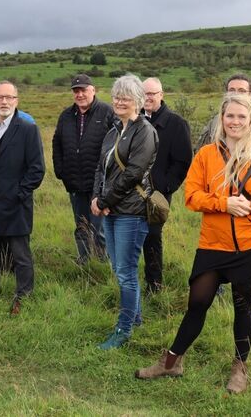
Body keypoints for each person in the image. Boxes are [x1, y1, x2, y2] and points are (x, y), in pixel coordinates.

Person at [135, 93, 251, 393]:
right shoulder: (206, 155)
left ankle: (240, 369)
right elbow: (192, 197)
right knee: (198, 302)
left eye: (241, 117)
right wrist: (224, 204)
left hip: (249, 246)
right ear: (222, 119)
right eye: (229, 116)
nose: (235, 122)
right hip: (212, 246)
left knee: (243, 306)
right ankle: (171, 362)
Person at [195, 73, 251, 306]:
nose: (236, 94)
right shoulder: (217, 121)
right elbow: (201, 150)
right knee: (217, 241)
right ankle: (216, 285)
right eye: (231, 90)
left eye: (241, 90)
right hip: (217, 197)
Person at [91, 74, 158, 349]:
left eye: (126, 97)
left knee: (125, 272)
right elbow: (100, 168)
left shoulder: (145, 131)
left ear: (139, 102)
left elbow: (133, 174)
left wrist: (105, 200)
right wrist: (97, 196)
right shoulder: (113, 131)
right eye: (117, 96)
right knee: (120, 268)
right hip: (112, 209)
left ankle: (124, 329)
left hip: (132, 211)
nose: (119, 101)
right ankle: (136, 317)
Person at [0, 81, 45, 315]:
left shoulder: (27, 129)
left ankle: (23, 297)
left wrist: (19, 193)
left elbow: (37, 169)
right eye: (0, 97)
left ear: (17, 101)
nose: (4, 102)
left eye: (9, 97)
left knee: (20, 255)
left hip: (16, 205)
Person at [53, 74, 114, 265]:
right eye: (76, 91)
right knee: (81, 225)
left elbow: (116, 146)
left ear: (93, 90)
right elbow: (57, 143)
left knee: (100, 228)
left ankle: (103, 263)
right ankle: (84, 260)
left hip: (99, 183)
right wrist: (61, 171)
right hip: (74, 181)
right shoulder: (66, 116)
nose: (80, 94)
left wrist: (109, 177)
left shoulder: (107, 112)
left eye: (83, 90)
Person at [139, 77, 193, 292]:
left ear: (161, 95)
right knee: (132, 235)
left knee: (152, 236)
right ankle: (130, 282)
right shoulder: (134, 120)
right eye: (144, 93)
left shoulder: (176, 123)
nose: (148, 98)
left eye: (152, 94)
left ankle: (154, 285)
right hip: (130, 193)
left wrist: (165, 187)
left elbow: (182, 161)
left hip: (157, 195)